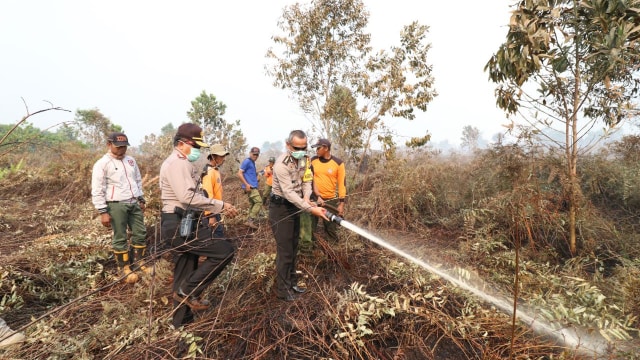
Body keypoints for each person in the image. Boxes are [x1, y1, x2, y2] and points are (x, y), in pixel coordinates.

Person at [159, 123, 239, 328]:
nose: (198, 151)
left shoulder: (183, 163)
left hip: (185, 222)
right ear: (182, 143)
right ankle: (190, 291)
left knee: (185, 270)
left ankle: (181, 324)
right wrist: (219, 206)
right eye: (196, 146)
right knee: (224, 251)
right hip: (178, 223)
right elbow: (186, 197)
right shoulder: (177, 163)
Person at [269, 130, 328, 301]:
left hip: (296, 204)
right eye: (297, 147)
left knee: (294, 246)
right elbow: (288, 193)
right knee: (285, 250)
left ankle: (292, 282)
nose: (301, 151)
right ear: (288, 145)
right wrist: (310, 209)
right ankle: (282, 289)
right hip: (280, 208)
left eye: (304, 147)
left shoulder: (305, 159)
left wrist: (307, 197)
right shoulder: (281, 164)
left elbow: (307, 180)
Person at [91, 131, 147, 284]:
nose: (121, 150)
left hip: (133, 202)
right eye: (118, 147)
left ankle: (139, 263)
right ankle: (124, 267)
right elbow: (97, 189)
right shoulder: (102, 164)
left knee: (140, 232)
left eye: (124, 147)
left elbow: (137, 180)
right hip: (116, 204)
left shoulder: (131, 161)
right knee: (120, 236)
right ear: (109, 145)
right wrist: (103, 211)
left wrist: (141, 198)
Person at [310, 138, 346, 243]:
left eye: (318, 148)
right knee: (310, 227)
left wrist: (341, 203)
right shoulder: (313, 161)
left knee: (331, 228)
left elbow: (342, 183)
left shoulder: (338, 163)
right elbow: (308, 179)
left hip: (330, 200)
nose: (316, 151)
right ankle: (311, 250)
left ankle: (333, 250)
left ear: (326, 148)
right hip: (314, 199)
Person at [201, 144, 230, 239]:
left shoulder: (215, 170)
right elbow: (207, 194)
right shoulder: (208, 172)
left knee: (216, 238)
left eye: (224, 156)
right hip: (211, 212)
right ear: (213, 156)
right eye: (221, 156)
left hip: (216, 209)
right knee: (216, 239)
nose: (224, 158)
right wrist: (211, 216)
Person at [237, 146, 263, 230]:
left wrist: (257, 177)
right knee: (259, 202)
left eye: (257, 155)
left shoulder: (252, 162)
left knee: (252, 204)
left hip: (252, 186)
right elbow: (239, 173)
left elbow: (249, 174)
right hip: (250, 187)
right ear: (250, 153)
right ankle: (250, 220)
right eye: (254, 154)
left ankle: (248, 221)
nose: (255, 156)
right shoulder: (247, 161)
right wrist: (247, 184)